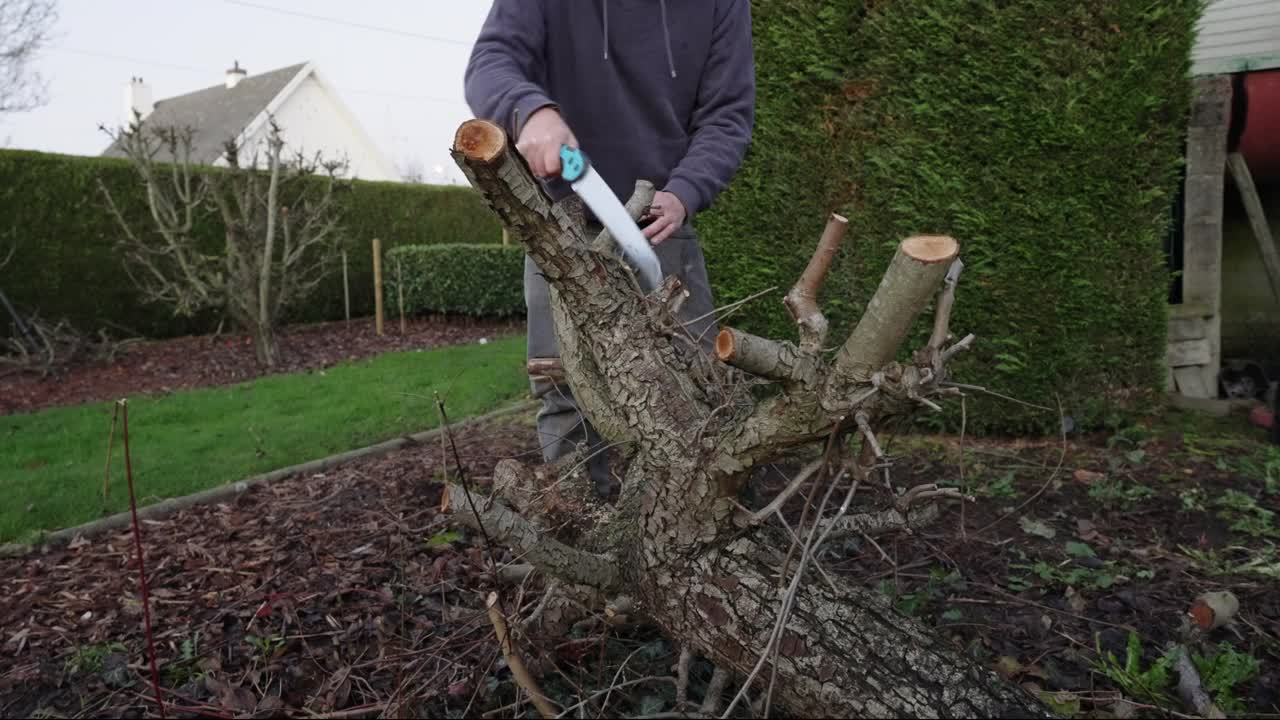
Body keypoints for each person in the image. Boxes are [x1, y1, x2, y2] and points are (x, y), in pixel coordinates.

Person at [464, 0, 756, 498]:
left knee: (702, 397)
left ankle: (713, 543)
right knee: (564, 396)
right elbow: (491, 62)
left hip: (659, 229)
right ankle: (582, 542)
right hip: (560, 229)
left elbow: (727, 116)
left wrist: (685, 192)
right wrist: (530, 110)